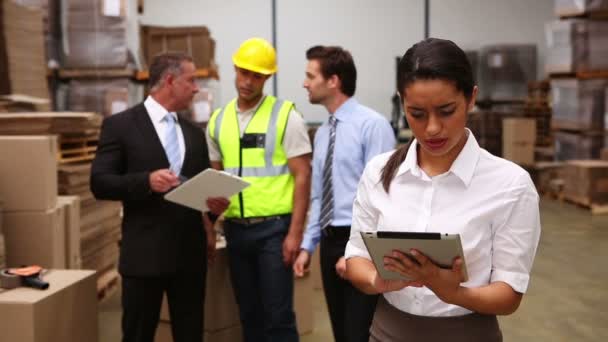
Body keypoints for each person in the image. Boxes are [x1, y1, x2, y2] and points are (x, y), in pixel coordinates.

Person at [344, 38, 541, 342]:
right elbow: (356, 257)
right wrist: (376, 280)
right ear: (402, 103)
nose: (432, 128)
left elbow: (509, 293)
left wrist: (455, 293)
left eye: (446, 110)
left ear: (471, 98)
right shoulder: (379, 173)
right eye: (417, 113)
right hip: (386, 332)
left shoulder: (510, 184)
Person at [91, 52, 228, 342]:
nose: (195, 88)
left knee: (191, 334)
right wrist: (145, 181)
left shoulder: (193, 134)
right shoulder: (121, 126)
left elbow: (201, 189)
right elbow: (100, 183)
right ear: (169, 80)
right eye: (191, 80)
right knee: (138, 334)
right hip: (144, 257)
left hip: (189, 258)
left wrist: (213, 209)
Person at [205, 37, 312, 342]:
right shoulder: (218, 121)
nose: (248, 81)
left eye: (256, 75)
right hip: (237, 231)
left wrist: (295, 233)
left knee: (277, 317)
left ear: (267, 78)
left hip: (274, 231)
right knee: (248, 314)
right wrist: (210, 225)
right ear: (235, 70)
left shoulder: (285, 117)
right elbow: (215, 180)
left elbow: (303, 176)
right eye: (243, 73)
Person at [293, 45, 395, 342]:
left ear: (333, 81)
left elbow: (383, 196)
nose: (304, 83)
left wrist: (359, 250)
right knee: (341, 332)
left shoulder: (372, 126)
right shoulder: (324, 131)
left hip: (361, 241)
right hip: (329, 241)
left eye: (310, 76)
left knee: (360, 333)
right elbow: (319, 194)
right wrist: (307, 246)